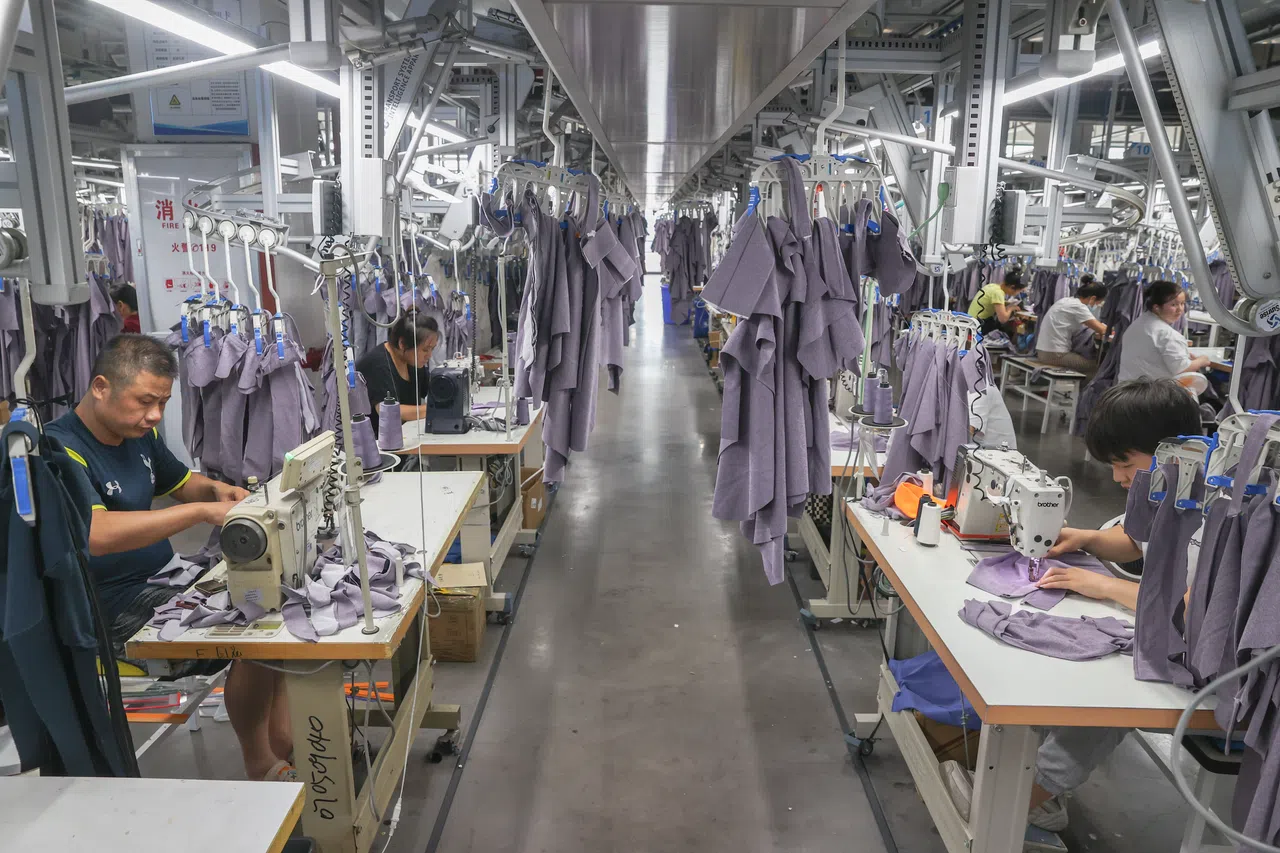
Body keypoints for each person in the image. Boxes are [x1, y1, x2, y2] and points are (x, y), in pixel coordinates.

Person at [943, 378, 1202, 832]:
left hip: (1210, 658)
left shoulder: (1214, 507)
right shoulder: (1172, 486)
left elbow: (1188, 611)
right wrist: (1083, 538)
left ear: (1169, 451)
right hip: (1166, 630)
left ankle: (1031, 792)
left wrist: (1100, 587)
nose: (1119, 478)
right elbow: (1134, 540)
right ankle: (1038, 788)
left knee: (1115, 696)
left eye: (1124, 464)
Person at [45, 335, 295, 783]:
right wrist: (200, 511)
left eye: (162, 402)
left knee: (274, 595)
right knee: (254, 629)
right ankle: (260, 760)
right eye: (145, 401)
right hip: (110, 607)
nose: (155, 415)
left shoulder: (139, 434)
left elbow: (182, 483)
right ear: (101, 387)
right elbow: (95, 535)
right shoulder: (60, 452)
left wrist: (217, 490)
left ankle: (285, 738)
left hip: (164, 579)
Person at [355, 311, 440, 434]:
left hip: (404, 436)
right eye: (425, 349)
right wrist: (434, 410)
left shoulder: (412, 361)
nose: (429, 355)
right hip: (377, 444)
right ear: (402, 344)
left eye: (432, 349)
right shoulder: (378, 364)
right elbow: (388, 411)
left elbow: (430, 390)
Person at [1118, 280, 1210, 383]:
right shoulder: (1167, 334)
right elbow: (1182, 369)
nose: (1180, 310)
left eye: (1182, 303)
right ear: (1156, 307)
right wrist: (1202, 361)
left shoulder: (1138, 324)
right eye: (1174, 305)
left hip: (1126, 391)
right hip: (1151, 395)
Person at [1035, 279, 1109, 377]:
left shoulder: (1065, 301)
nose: (1097, 306)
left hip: (1043, 351)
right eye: (1098, 303)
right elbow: (1102, 330)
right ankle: (1079, 391)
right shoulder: (1079, 307)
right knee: (1095, 367)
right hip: (1055, 355)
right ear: (1093, 298)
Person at [967, 267, 1029, 337]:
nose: (1018, 293)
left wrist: (1008, 305)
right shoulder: (998, 293)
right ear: (1012, 287)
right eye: (1019, 291)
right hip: (978, 326)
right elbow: (1003, 319)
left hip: (971, 322)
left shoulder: (993, 286)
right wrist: (1010, 308)